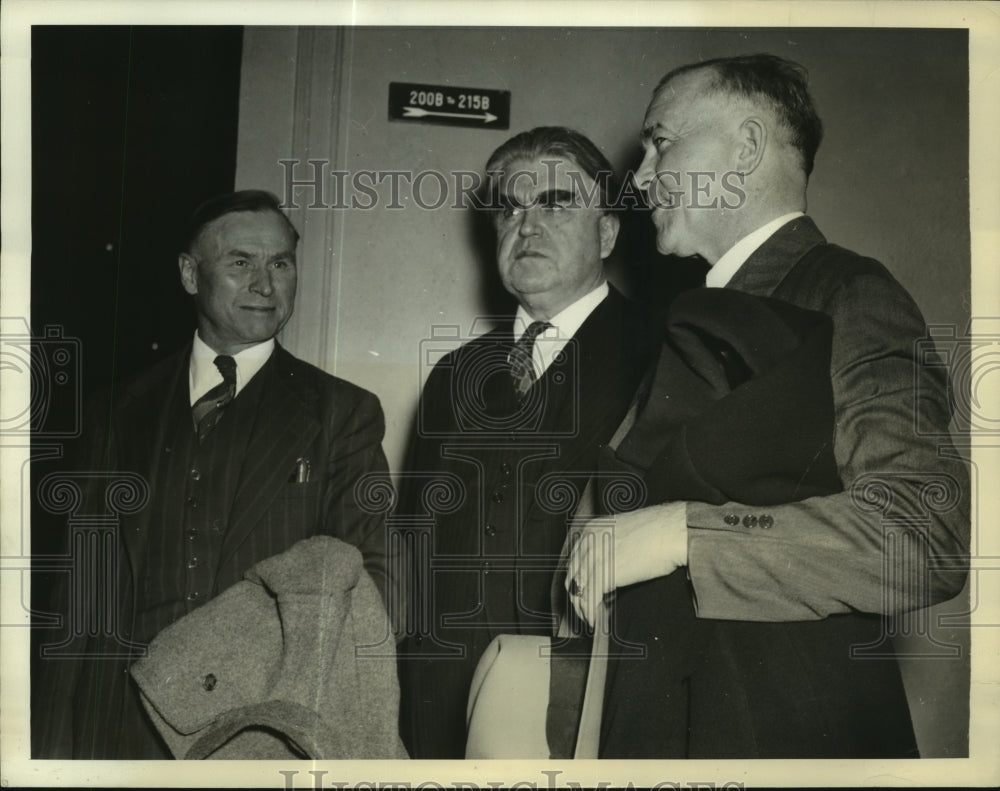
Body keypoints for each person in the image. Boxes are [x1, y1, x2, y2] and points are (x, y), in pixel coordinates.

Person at [566, 54, 970, 757]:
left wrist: (681, 534)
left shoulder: (850, 291)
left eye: (661, 142)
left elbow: (922, 536)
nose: (638, 177)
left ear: (746, 147)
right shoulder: (687, 317)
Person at [33, 190, 394, 759]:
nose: (265, 284)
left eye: (281, 263)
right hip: (117, 728)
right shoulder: (116, 412)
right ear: (188, 274)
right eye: (240, 262)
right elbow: (75, 601)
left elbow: (367, 584)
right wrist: (49, 755)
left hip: (257, 734)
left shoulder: (342, 413)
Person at [396, 127, 656, 758]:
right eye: (509, 209)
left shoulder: (661, 357)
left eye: (556, 203)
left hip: (581, 708)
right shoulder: (455, 373)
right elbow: (409, 547)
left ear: (607, 232)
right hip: (436, 710)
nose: (527, 225)